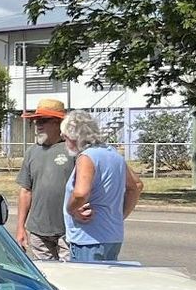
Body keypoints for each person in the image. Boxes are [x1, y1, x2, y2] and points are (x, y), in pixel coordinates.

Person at [61, 110, 143, 262]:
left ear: (73, 137)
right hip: (113, 237)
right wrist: (119, 216)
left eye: (64, 136)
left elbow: (80, 193)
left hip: (88, 238)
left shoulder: (86, 157)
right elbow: (136, 185)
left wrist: (71, 209)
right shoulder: (113, 153)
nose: (64, 141)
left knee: (85, 283)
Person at [12, 98, 73, 262]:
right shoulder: (32, 152)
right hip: (38, 231)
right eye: (35, 121)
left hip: (68, 230)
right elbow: (25, 191)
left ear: (59, 123)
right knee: (47, 277)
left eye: (43, 120)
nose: (38, 125)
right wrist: (20, 228)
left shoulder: (73, 150)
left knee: (70, 277)